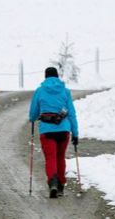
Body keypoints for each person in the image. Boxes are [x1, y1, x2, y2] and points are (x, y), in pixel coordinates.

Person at [28, 67, 79, 198]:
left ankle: (53, 183)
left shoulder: (40, 91)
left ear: (45, 77)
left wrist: (33, 118)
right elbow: (72, 113)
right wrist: (75, 132)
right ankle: (61, 185)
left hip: (47, 130)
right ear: (57, 77)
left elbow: (33, 113)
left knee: (50, 158)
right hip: (63, 130)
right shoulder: (65, 91)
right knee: (60, 157)